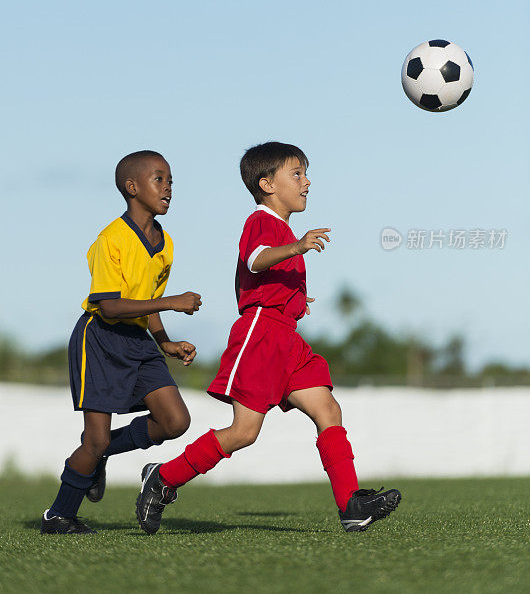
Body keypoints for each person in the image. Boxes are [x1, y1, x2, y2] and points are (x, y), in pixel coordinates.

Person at [135, 141, 401, 534]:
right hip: (260, 336)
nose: (307, 182)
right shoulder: (261, 221)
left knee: (328, 409)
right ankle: (163, 479)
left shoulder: (282, 229)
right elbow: (255, 259)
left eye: (305, 174)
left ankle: (350, 505)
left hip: (286, 337)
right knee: (244, 432)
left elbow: (265, 274)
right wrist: (297, 247)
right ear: (267, 184)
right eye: (297, 174)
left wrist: (293, 299)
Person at [41, 150, 202, 534]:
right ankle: (58, 515)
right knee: (94, 441)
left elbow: (146, 300)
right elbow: (111, 306)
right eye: (159, 180)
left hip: (138, 341)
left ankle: (96, 455)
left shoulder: (165, 242)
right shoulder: (110, 239)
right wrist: (172, 301)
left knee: (175, 421)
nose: (168, 189)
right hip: (99, 340)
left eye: (171, 181)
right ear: (132, 187)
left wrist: (164, 341)